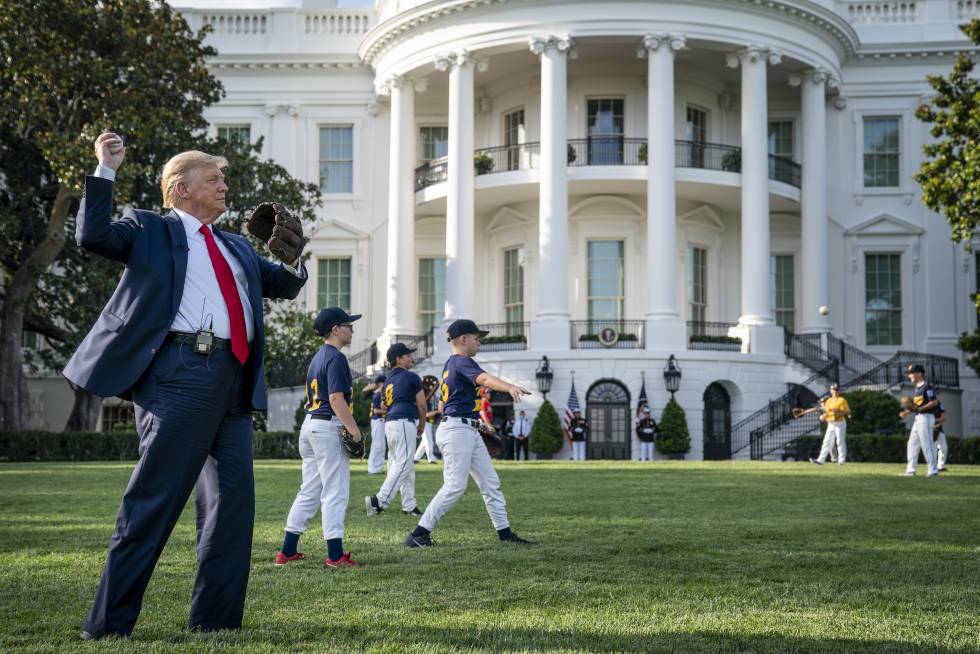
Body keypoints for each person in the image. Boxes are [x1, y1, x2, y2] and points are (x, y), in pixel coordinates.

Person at [68, 134, 308, 640]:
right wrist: (105, 169)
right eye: (214, 179)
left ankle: (216, 621)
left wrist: (293, 257)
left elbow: (283, 285)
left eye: (224, 179)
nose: (224, 187)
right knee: (154, 501)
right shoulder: (149, 227)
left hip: (235, 380)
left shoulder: (235, 245)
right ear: (180, 190)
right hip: (178, 374)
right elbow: (92, 237)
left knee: (232, 504)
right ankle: (108, 625)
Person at [404, 319, 534, 548]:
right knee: (455, 486)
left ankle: (505, 533)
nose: (479, 343)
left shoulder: (450, 365)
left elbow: (443, 405)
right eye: (476, 338)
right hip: (457, 430)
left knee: (490, 482)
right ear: (463, 339)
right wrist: (510, 387)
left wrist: (473, 422)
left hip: (465, 428)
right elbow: (484, 379)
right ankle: (418, 533)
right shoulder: (461, 362)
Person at [277, 308, 364, 568]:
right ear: (335, 329)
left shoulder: (318, 357)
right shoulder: (335, 358)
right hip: (327, 426)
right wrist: (355, 430)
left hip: (310, 425)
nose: (352, 328)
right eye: (348, 324)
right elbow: (336, 399)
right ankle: (335, 556)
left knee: (310, 490)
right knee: (335, 492)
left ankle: (287, 551)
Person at [366, 343, 426, 517]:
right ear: (399, 359)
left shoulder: (388, 381)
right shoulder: (412, 377)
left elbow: (384, 405)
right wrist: (421, 425)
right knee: (405, 464)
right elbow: (422, 406)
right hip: (403, 422)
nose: (411, 358)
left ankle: (409, 505)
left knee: (402, 465)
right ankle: (379, 501)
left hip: (389, 424)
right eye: (408, 355)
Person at [901, 364, 940, 477]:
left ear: (919, 374)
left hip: (926, 418)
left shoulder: (927, 387)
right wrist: (907, 412)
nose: (909, 376)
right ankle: (910, 470)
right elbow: (917, 406)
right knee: (912, 444)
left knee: (926, 444)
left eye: (911, 373)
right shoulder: (917, 388)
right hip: (919, 418)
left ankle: (933, 470)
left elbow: (934, 402)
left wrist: (919, 409)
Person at [808, 384, 850, 466]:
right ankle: (821, 460)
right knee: (827, 441)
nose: (834, 391)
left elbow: (848, 411)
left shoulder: (842, 400)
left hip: (840, 423)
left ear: (839, 391)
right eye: (832, 389)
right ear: (830, 390)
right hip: (831, 423)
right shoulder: (829, 400)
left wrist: (839, 412)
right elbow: (827, 412)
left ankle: (841, 460)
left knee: (840, 441)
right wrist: (824, 416)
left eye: (836, 390)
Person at [415, 375, 441, 464]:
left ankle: (416, 458)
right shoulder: (423, 399)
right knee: (429, 440)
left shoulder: (427, 400)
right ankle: (431, 459)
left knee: (424, 442)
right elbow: (425, 414)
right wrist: (436, 412)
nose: (430, 388)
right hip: (423, 421)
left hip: (428, 422)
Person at [366, 373, 388, 474]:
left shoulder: (378, 394)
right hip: (377, 420)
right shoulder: (378, 394)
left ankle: (378, 468)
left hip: (378, 421)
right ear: (380, 383)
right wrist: (389, 411)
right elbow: (376, 410)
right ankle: (373, 468)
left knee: (380, 445)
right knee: (377, 445)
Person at [934, 405, 950, 473]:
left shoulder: (939, 405)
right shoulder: (924, 404)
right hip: (929, 430)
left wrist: (937, 423)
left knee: (944, 448)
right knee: (933, 449)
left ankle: (941, 466)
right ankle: (933, 466)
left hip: (939, 430)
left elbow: (943, 418)